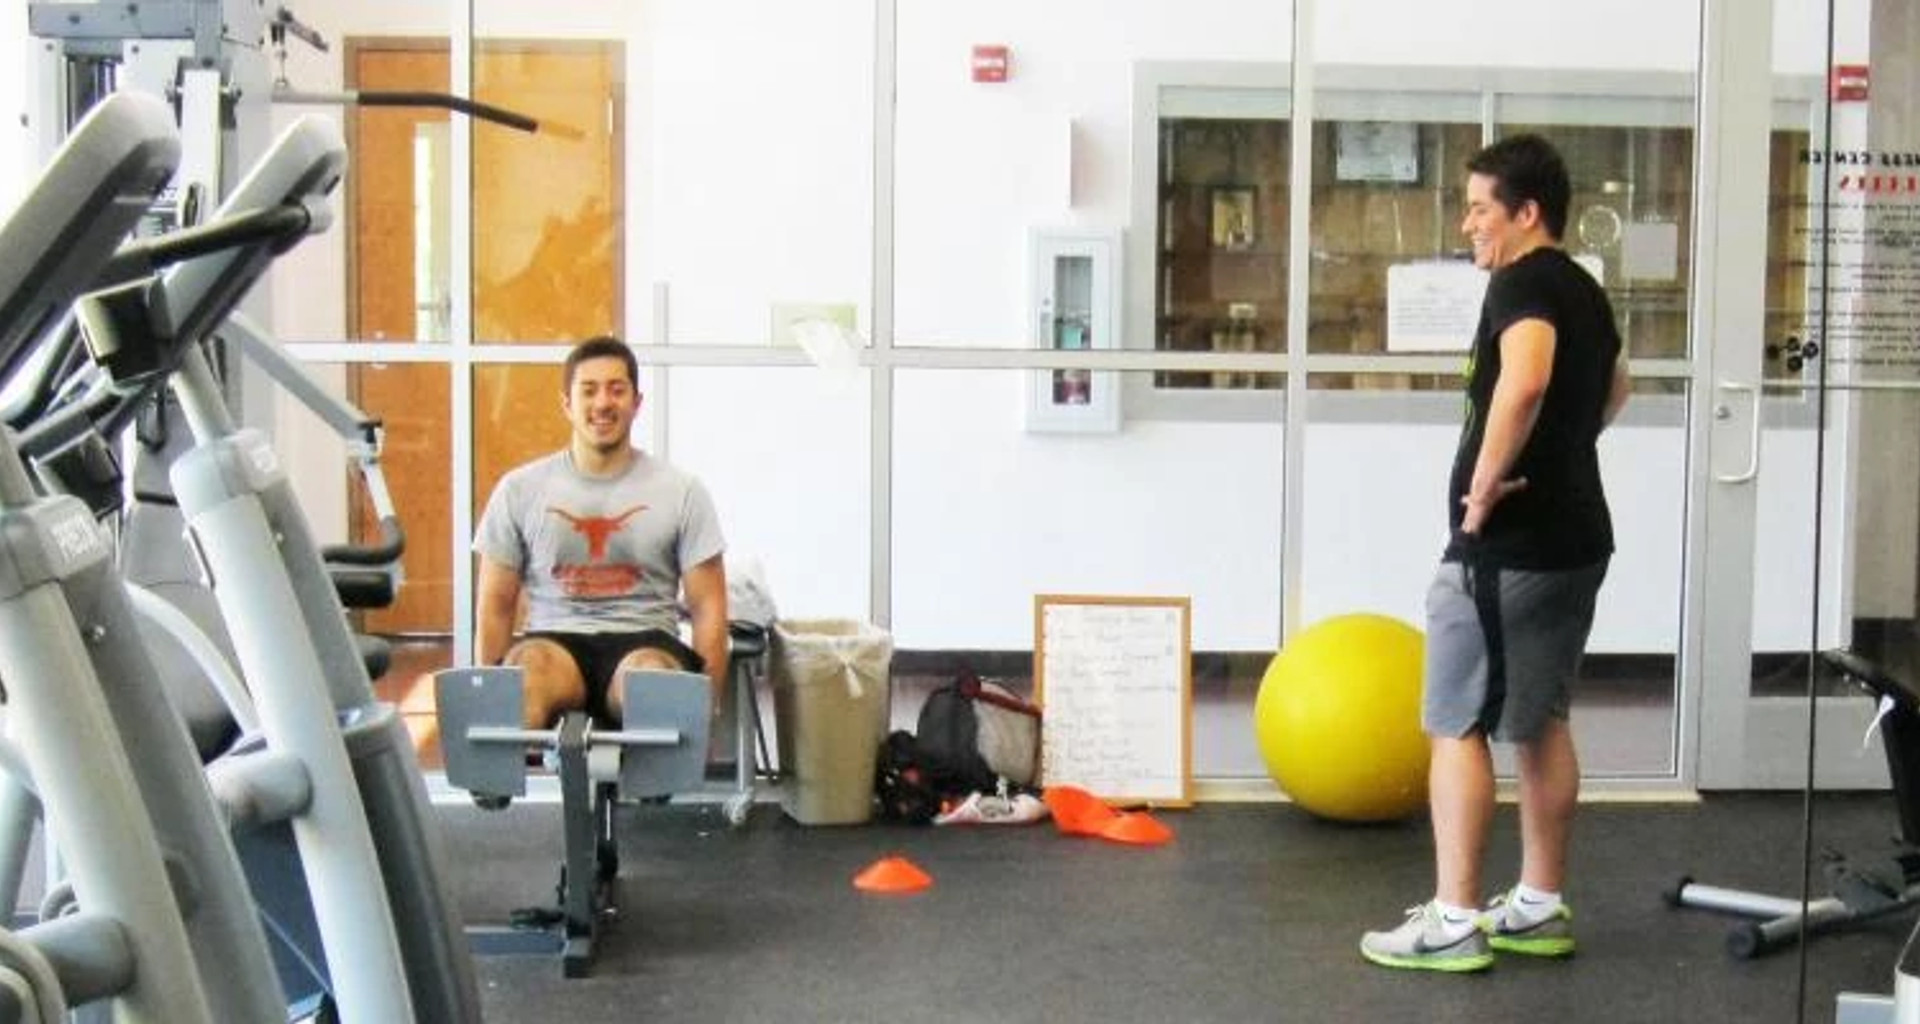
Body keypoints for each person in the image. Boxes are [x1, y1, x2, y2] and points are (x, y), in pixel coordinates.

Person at [1360, 134, 1631, 972]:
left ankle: (1453, 919)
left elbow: (1527, 378)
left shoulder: (1523, 282)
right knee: (1540, 721)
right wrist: (1559, 453)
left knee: (1457, 722)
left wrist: (1483, 489)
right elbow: (1618, 386)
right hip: (1575, 540)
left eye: (1481, 208)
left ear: (1527, 213)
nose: (1468, 223)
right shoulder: (1583, 286)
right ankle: (1539, 906)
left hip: (1506, 550)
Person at [470, 335, 728, 805]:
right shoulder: (520, 490)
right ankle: (495, 766)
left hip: (645, 639)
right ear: (567, 404)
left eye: (616, 389)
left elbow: (709, 607)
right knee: (528, 670)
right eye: (588, 390)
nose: (603, 403)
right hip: (554, 642)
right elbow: (495, 604)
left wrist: (705, 710)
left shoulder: (682, 491)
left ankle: (656, 772)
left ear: (636, 402)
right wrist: (488, 704)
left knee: (651, 681)